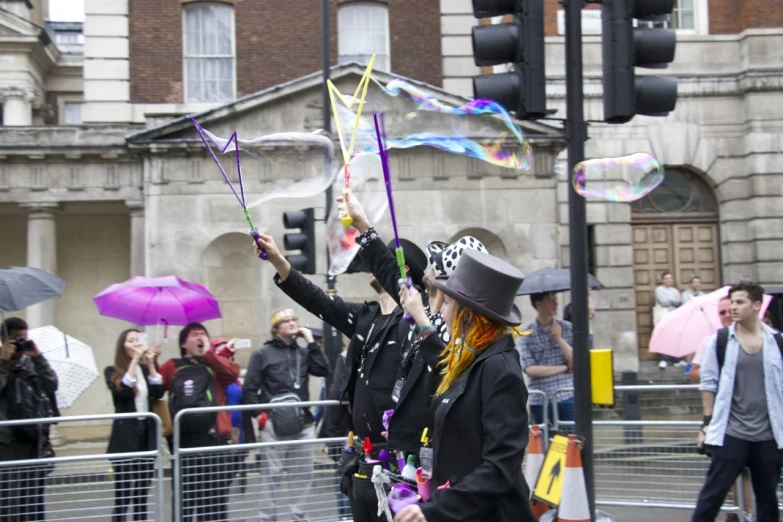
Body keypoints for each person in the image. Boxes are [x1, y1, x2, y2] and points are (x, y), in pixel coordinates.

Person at [253, 232, 406, 522]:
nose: (368, 264)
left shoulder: (412, 321)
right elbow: (318, 301)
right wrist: (278, 260)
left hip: (400, 456)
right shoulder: (366, 317)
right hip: (365, 454)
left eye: (378, 259)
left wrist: (363, 227)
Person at [339, 192, 486, 461]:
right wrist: (361, 225)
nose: (425, 289)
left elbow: (445, 372)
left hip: (446, 459)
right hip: (415, 453)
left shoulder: (464, 336)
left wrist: (422, 323)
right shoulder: (431, 314)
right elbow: (387, 269)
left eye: (431, 285)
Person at [394, 249, 536, 522]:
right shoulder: (471, 357)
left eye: (446, 303)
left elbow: (499, 469)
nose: (441, 310)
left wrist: (434, 510)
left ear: (466, 315)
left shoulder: (500, 370)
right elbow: (441, 361)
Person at [692, 282, 783, 522]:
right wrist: (706, 423)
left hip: (769, 436)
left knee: (768, 501)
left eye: (739, 302)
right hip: (731, 433)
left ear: (756, 306)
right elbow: (708, 384)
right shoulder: (720, 341)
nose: (733, 307)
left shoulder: (777, 341)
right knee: (712, 497)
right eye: (731, 302)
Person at [243, 308, 330, 522]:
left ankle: (298, 517)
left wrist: (311, 343)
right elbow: (249, 388)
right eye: (286, 321)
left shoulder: (304, 352)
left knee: (302, 476)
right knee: (270, 477)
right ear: (275, 329)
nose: (292, 323)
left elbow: (324, 370)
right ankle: (267, 518)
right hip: (273, 425)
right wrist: (260, 416)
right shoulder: (262, 354)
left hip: (304, 424)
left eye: (294, 319)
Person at [158, 323, 240, 521]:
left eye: (203, 334)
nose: (199, 337)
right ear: (184, 343)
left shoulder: (214, 364)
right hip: (184, 441)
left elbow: (232, 373)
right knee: (185, 498)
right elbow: (156, 388)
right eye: (194, 335)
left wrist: (210, 355)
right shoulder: (172, 366)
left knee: (214, 500)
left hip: (215, 439)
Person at [689, 296, 753, 522]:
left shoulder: (762, 339)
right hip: (723, 419)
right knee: (720, 477)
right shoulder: (713, 341)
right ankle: (735, 512)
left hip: (755, 421)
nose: (727, 315)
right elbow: (696, 373)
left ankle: (744, 514)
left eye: (730, 310)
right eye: (722, 312)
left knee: (749, 476)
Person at [0, 317, 58, 521]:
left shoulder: (31, 363)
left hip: (34, 439)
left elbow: (51, 385)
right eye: (16, 339)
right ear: (3, 339)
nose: (20, 344)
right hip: (7, 443)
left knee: (33, 501)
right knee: (8, 502)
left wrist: (38, 357)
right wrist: (4, 363)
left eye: (24, 339)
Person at [105, 329, 164, 522]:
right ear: (122, 346)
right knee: (123, 495)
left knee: (141, 494)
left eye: (139, 340)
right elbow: (123, 391)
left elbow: (158, 392)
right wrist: (134, 361)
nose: (136, 344)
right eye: (131, 341)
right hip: (125, 437)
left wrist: (151, 364)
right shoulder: (112, 371)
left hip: (146, 435)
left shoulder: (145, 370)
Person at [518, 291, 574, 427]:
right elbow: (529, 369)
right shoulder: (527, 333)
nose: (556, 303)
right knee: (544, 444)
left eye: (556, 299)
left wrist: (559, 339)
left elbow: (576, 361)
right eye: (551, 300)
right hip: (540, 398)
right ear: (538, 304)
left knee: (569, 443)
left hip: (565, 396)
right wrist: (565, 367)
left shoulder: (567, 327)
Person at [655, 271, 685, 368]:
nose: (668, 280)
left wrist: (670, 299)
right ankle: (663, 359)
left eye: (670, 278)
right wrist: (673, 300)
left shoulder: (675, 290)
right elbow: (663, 302)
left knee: (675, 337)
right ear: (663, 280)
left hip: (674, 316)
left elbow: (679, 302)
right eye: (666, 278)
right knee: (663, 338)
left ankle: (677, 359)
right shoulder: (659, 289)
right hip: (664, 316)